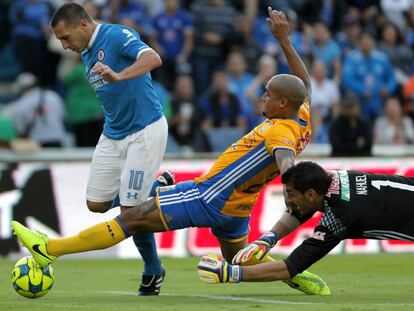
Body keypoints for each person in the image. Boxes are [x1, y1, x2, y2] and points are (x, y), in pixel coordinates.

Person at [12, 8, 330, 296]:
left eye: (268, 94)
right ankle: (294, 273)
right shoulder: (299, 116)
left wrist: (293, 180)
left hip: (209, 196)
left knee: (132, 217)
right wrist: (285, 41)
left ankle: (50, 248)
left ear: (282, 103)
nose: (262, 97)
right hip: (238, 207)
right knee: (237, 257)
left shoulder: (280, 132)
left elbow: (285, 159)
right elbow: (303, 83)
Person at [48, 3, 173, 296]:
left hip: (145, 129)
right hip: (113, 133)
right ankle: (155, 189)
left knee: (131, 210)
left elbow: (153, 58)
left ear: (82, 24)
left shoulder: (116, 35)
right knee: (96, 204)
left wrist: (120, 75)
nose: (65, 45)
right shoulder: (86, 51)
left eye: (65, 38)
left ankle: (153, 269)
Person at [197, 160, 414, 286]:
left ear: (310, 194)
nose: (287, 200)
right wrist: (267, 240)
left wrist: (231, 273)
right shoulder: (331, 179)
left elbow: (290, 268)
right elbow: (301, 210)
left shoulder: (339, 217)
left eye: (291, 194)